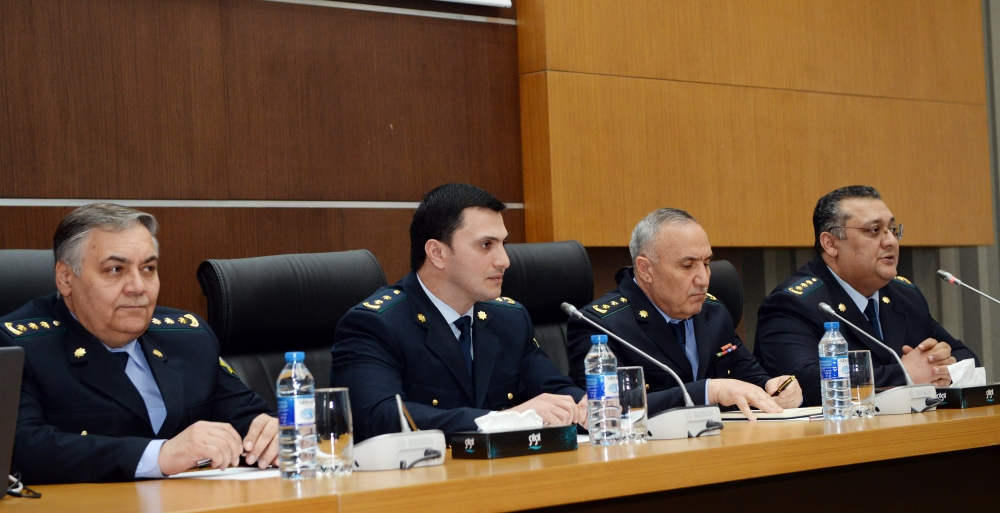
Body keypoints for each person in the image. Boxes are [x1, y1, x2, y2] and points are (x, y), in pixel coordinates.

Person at [0, 204, 277, 484]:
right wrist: (159, 456)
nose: (138, 286)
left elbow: (248, 418)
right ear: (66, 277)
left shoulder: (188, 337)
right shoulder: (17, 347)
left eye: (148, 269)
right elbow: (20, 448)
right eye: (115, 269)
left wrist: (271, 434)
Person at [331, 183, 586, 442]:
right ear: (437, 253)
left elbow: (551, 388)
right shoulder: (375, 325)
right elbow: (379, 417)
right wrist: (503, 420)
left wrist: (588, 405)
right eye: (486, 244)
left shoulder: (509, 319)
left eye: (503, 244)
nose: (504, 261)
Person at [754, 186, 980, 406]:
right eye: (874, 230)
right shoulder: (792, 304)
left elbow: (966, 357)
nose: (891, 241)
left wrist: (941, 367)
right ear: (831, 244)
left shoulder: (904, 295)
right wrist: (905, 374)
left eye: (892, 229)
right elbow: (806, 383)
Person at [567, 208, 801, 420]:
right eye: (687, 266)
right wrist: (708, 391)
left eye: (706, 263)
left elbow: (751, 380)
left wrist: (776, 389)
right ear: (645, 269)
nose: (703, 279)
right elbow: (606, 409)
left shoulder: (714, 313)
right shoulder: (600, 326)